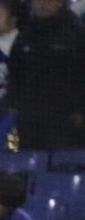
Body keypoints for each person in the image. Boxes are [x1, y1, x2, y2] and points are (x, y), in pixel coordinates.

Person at [7, 0, 85, 150]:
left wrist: (80, 110)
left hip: (66, 120)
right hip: (31, 119)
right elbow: (15, 72)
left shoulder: (76, 33)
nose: (42, 4)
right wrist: (13, 104)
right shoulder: (25, 34)